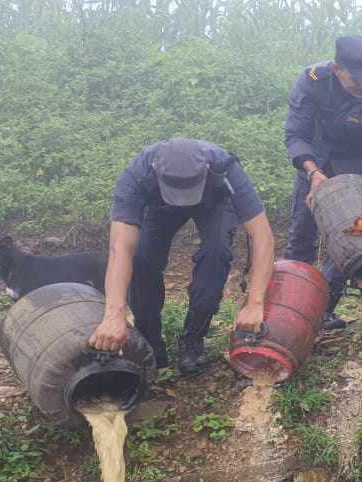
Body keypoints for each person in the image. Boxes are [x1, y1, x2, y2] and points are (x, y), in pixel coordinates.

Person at [89, 139, 274, 375]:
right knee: (141, 257)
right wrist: (114, 315)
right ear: (155, 170)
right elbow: (120, 248)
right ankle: (151, 343)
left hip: (213, 204)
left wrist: (255, 303)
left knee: (216, 253)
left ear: (207, 169)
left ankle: (193, 340)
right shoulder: (137, 174)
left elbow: (263, 237)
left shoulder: (225, 167)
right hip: (160, 206)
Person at [284, 35, 362, 329]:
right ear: (338, 69)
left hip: (355, 164)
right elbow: (296, 135)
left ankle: (321, 311)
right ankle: (288, 310)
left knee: (353, 238)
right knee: (302, 233)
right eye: (356, 82)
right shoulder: (311, 80)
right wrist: (313, 173)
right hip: (315, 160)